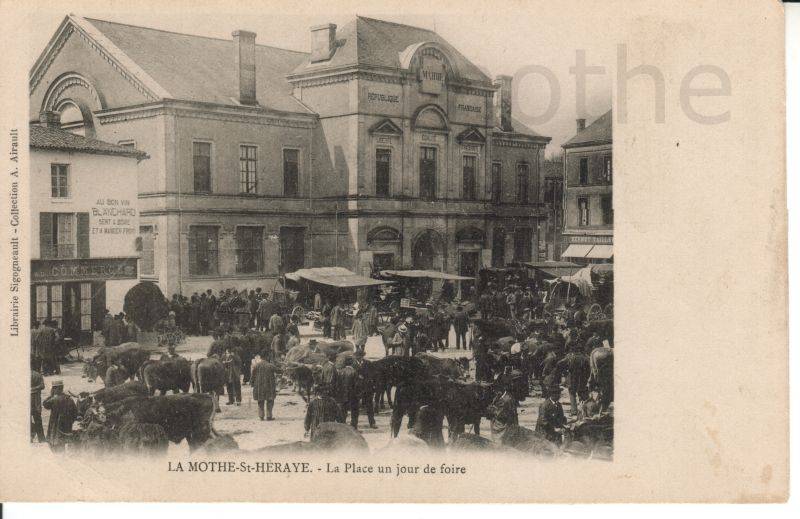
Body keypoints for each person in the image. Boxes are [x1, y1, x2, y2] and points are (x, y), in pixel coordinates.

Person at [42, 380, 77, 452]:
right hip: (65, 426)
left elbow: (45, 404)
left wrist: (51, 395)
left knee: (54, 445)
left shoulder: (53, 399)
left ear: (55, 389)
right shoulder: (69, 399)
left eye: (53, 388)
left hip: (55, 425)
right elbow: (75, 413)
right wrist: (70, 422)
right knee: (62, 444)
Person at [556, 344, 591, 416]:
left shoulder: (570, 357)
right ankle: (586, 411)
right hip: (582, 379)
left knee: (572, 394)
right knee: (583, 394)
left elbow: (559, 363)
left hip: (572, 378)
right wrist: (587, 377)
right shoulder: (586, 357)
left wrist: (564, 372)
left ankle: (574, 411)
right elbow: (589, 369)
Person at [250, 354, 277, 420]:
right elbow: (279, 370)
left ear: (261, 358)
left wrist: (252, 383)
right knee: (270, 401)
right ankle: (269, 416)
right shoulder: (271, 366)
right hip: (269, 386)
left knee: (260, 401)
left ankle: (261, 416)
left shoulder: (256, 365)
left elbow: (252, 376)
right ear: (268, 359)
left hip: (259, 386)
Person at [336, 357, 359, 427]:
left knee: (343, 412)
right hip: (352, 395)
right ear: (352, 363)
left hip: (342, 395)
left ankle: (342, 426)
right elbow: (356, 385)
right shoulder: (354, 372)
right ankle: (354, 426)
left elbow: (337, 384)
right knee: (354, 411)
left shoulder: (340, 371)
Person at [31, 367, 45, 443]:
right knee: (38, 420)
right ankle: (41, 438)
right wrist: (35, 389)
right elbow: (42, 386)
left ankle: (30, 436)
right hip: (36, 401)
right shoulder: (38, 375)